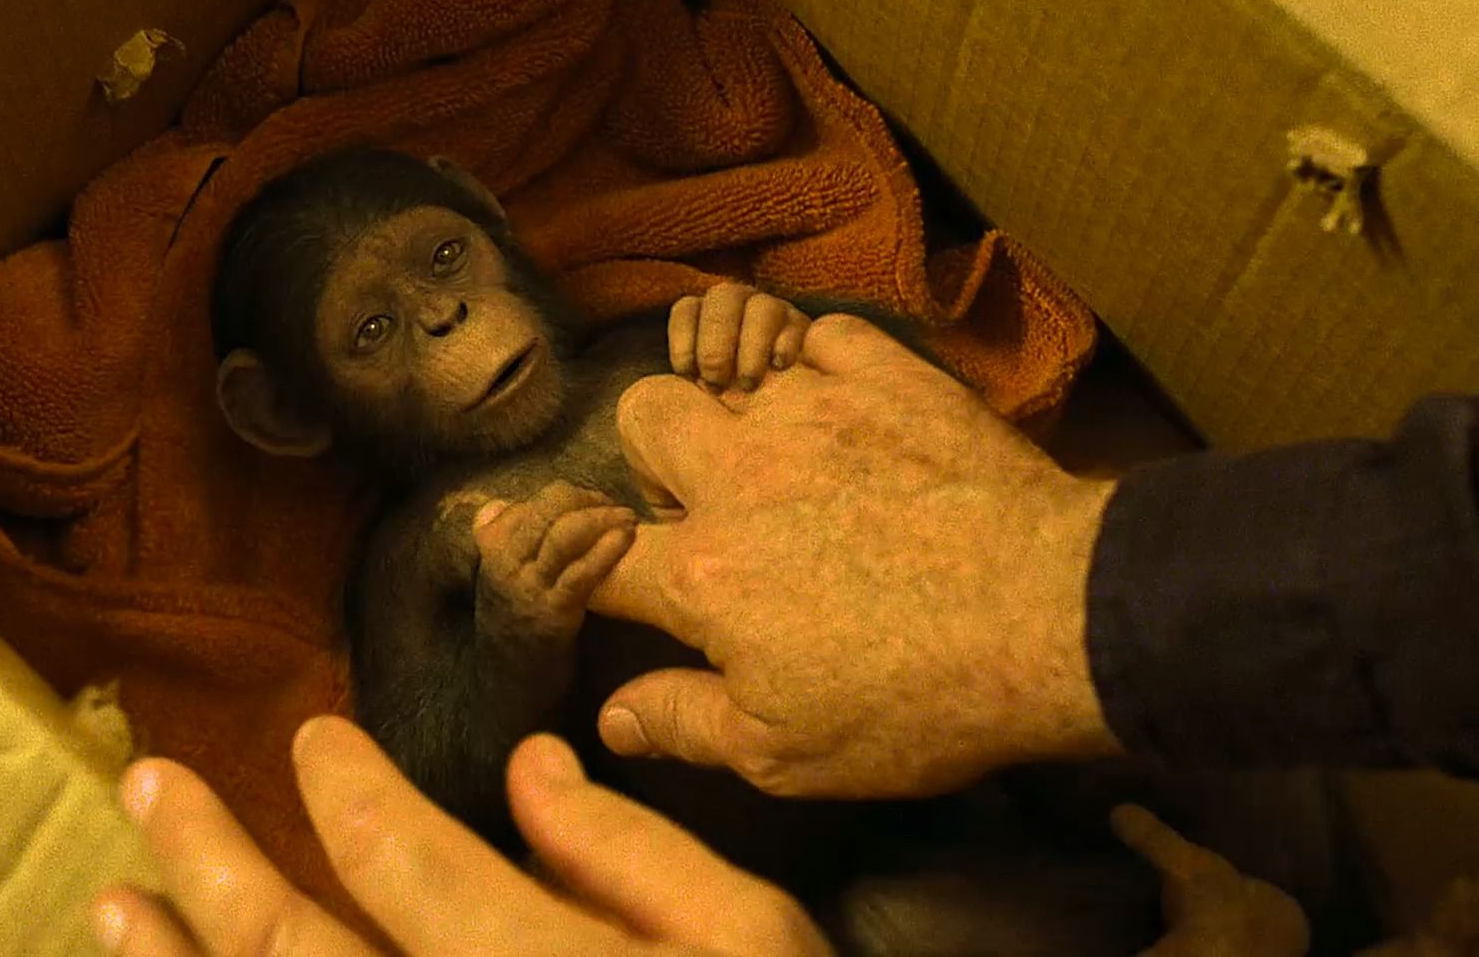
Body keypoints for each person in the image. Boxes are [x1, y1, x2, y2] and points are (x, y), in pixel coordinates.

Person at [90, 313, 1479, 955]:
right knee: (907, 925)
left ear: (485, 220)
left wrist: (782, 330)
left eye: (444, 260)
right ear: (288, 412)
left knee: (1196, 748)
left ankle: (1274, 904)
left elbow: (899, 429)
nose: (447, 319)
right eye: (379, 324)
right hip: (823, 867)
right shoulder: (413, 552)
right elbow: (446, 784)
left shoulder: (653, 341)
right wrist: (518, 642)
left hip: (1015, 740)